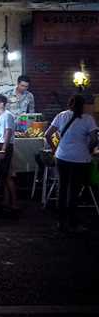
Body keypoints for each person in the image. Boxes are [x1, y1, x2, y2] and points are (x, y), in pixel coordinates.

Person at [44, 95, 98, 233]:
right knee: (74, 191)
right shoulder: (88, 119)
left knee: (62, 189)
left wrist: (55, 149)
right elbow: (93, 139)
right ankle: (73, 222)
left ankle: (61, 222)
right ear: (83, 105)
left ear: (69, 104)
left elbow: (48, 134)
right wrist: (89, 150)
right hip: (80, 159)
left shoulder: (61, 116)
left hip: (62, 157)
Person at [0, 94, 18, 212]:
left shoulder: (8, 116)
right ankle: (6, 201)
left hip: (5, 146)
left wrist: (3, 150)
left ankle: (14, 202)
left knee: (7, 175)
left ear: (2, 104)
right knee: (3, 175)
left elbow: (7, 133)